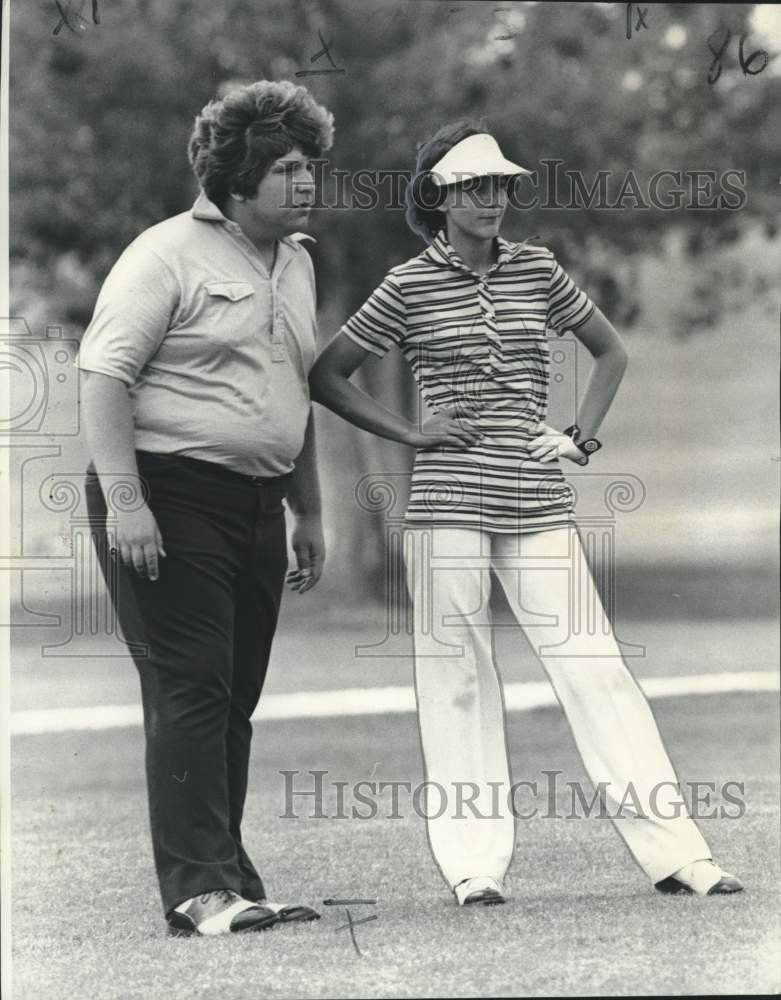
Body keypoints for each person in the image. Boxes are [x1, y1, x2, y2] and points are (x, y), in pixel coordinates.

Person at [309, 121, 744, 907]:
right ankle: (474, 866)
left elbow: (610, 352)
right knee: (457, 679)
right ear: (438, 195)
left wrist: (577, 438)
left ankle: (680, 856)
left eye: (502, 185)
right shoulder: (406, 284)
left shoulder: (537, 269)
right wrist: (410, 432)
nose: (493, 199)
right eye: (475, 187)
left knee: (596, 668)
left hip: (535, 496)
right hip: (445, 504)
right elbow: (328, 374)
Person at [78, 80, 332, 936]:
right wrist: (126, 503)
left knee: (233, 697)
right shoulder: (163, 255)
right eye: (286, 168)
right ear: (236, 178)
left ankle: (229, 875)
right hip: (165, 493)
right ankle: (199, 891)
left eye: (309, 166)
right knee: (191, 688)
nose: (305, 182)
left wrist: (312, 513)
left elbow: (292, 394)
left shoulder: (297, 260)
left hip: (259, 501)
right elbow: (102, 377)